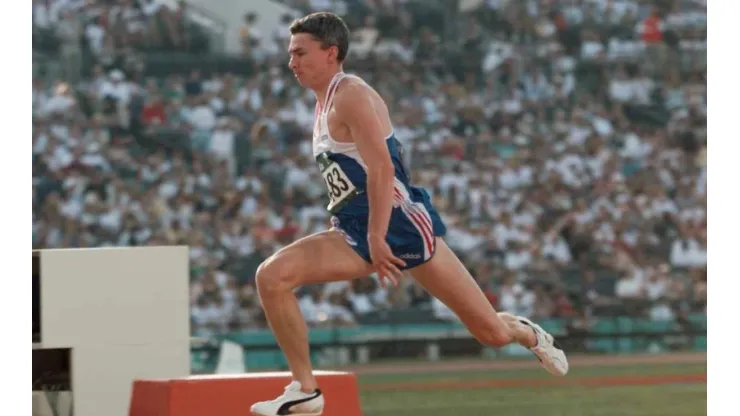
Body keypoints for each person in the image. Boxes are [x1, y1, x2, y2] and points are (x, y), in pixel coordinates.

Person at [250, 12, 568, 416]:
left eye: (300, 52)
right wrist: (366, 232)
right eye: (290, 53)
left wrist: (378, 235)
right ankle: (306, 390)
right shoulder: (322, 102)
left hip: (400, 225)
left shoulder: (352, 95)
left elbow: (382, 169)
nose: (291, 61)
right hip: (355, 228)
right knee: (272, 276)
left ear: (331, 53)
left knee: (491, 334)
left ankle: (524, 332)